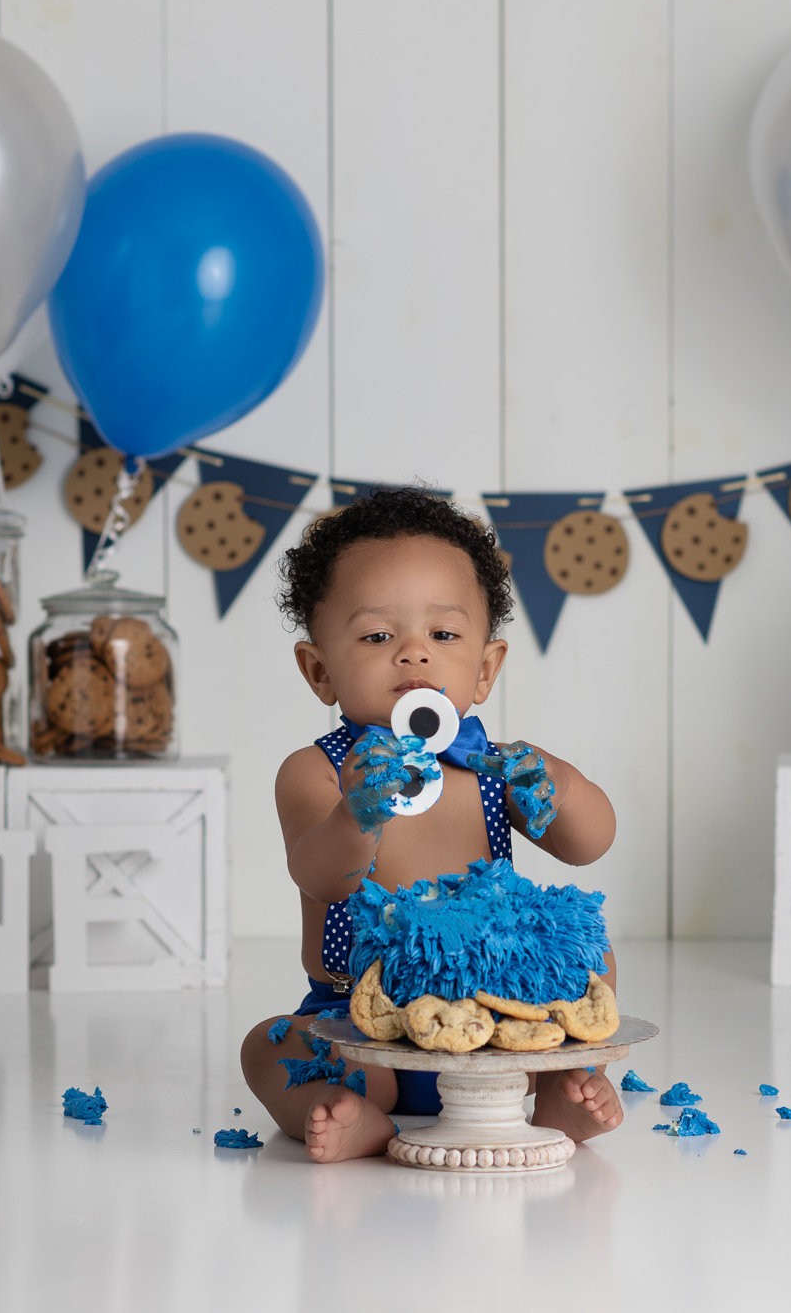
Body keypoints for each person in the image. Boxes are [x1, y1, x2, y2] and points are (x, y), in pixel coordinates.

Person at [238, 487, 621, 1162]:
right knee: (268, 1045)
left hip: (497, 1017)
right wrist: (361, 809)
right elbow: (320, 872)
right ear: (319, 668)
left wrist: (558, 785)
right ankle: (356, 1115)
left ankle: (559, 1088)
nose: (414, 654)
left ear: (486, 667)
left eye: (443, 635)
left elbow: (589, 845)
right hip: (361, 1026)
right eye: (379, 635)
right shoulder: (318, 772)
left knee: (595, 958)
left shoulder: (496, 770)